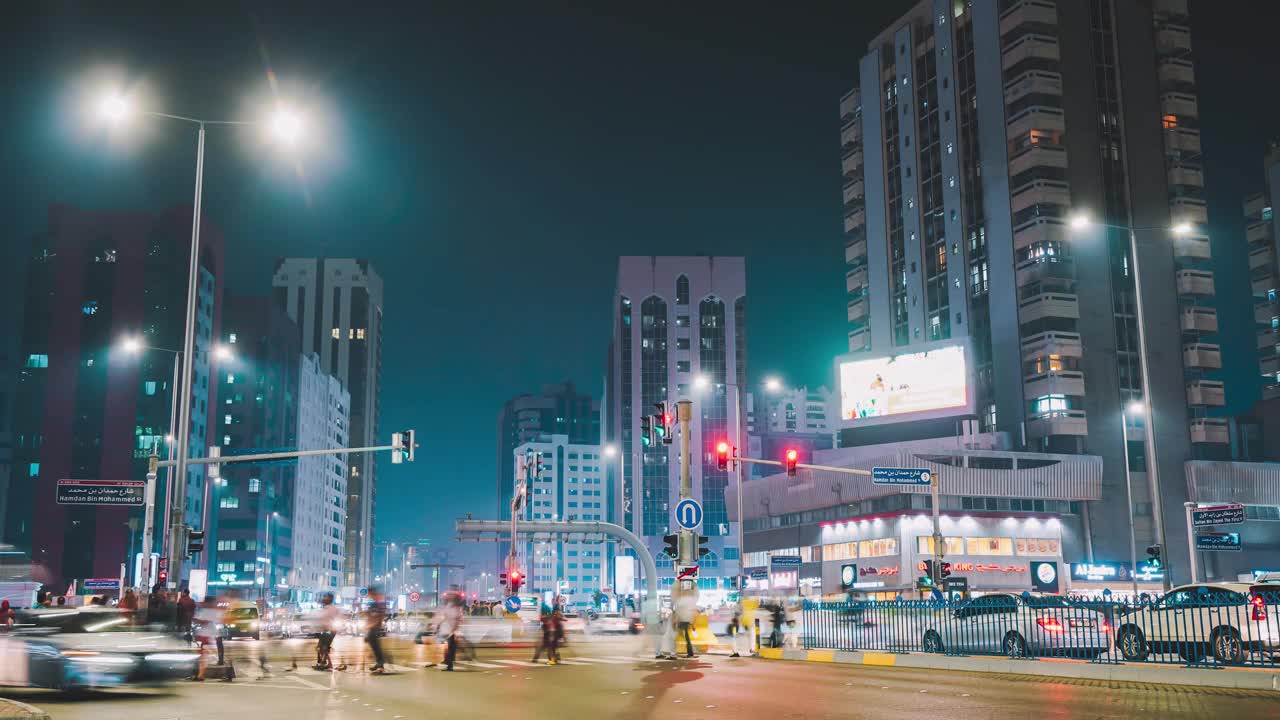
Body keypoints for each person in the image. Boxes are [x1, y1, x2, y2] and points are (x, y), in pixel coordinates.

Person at [436, 596, 464, 671]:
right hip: (449, 631)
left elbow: (455, 620)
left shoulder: (454, 609)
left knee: (450, 648)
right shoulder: (454, 608)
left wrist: (454, 630)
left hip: (451, 631)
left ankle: (449, 665)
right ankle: (448, 662)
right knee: (449, 648)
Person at [365, 587, 388, 673]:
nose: (369, 595)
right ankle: (379, 663)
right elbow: (371, 615)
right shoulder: (373, 603)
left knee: (376, 647)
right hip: (372, 627)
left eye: (369, 593)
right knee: (374, 646)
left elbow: (379, 616)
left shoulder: (377, 603)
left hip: (375, 627)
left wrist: (374, 624)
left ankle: (380, 664)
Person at [316, 593, 340, 671]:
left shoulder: (333, 609)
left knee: (324, 647)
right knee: (321, 647)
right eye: (324, 597)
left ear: (330, 599)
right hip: (324, 630)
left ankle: (324, 663)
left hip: (330, 630)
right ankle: (327, 663)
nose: (324, 599)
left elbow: (335, 619)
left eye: (326, 597)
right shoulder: (324, 608)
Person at [673, 591, 697, 658]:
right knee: (686, 638)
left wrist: (693, 623)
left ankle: (689, 652)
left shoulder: (683, 602)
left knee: (683, 637)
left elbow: (693, 612)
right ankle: (690, 652)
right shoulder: (688, 602)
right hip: (685, 621)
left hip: (684, 622)